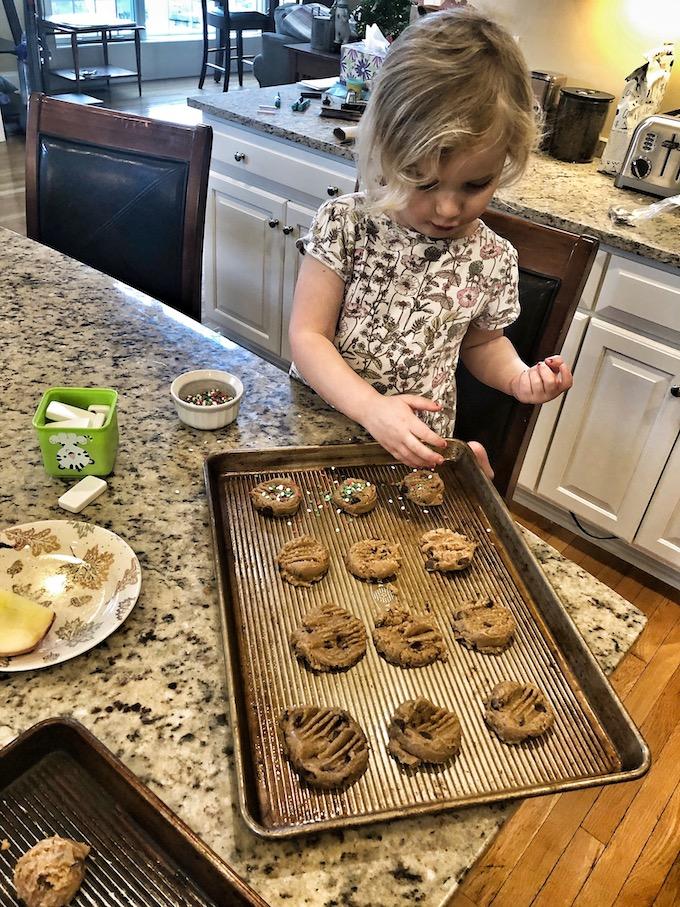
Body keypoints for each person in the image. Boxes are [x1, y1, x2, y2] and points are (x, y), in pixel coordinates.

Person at [288, 8, 573, 473]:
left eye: (474, 185)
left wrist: (520, 379)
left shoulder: (493, 258)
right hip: (320, 427)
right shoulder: (346, 223)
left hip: (417, 446)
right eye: (422, 182)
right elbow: (308, 336)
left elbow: (482, 345)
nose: (447, 209)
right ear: (384, 148)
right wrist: (372, 409)